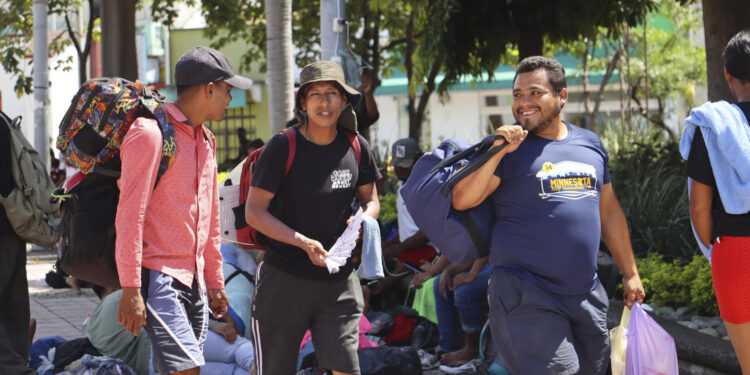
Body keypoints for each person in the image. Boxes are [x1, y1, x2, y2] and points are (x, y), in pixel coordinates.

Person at [451, 56, 645, 375]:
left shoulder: (590, 145)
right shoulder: (507, 151)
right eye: (517, 94)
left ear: (561, 96)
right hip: (525, 292)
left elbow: (609, 211)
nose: (523, 103)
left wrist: (630, 272)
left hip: (585, 292)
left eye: (535, 93)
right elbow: (462, 199)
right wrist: (496, 148)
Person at [115, 46, 252, 375]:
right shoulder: (149, 134)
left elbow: (209, 216)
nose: (229, 98)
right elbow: (129, 214)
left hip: (194, 280)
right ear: (209, 89)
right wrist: (131, 288)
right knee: (187, 370)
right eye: (227, 90)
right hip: (158, 275)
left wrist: (215, 281)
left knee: (180, 369)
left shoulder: (205, 139)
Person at [245, 60, 381, 375]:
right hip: (283, 280)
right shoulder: (282, 146)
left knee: (345, 368)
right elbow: (254, 211)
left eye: (332, 93)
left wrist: (361, 222)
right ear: (303, 103)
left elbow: (371, 200)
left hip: (339, 282)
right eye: (315, 94)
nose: (324, 101)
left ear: (344, 100)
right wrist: (302, 242)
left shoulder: (357, 147)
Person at [683, 29, 750, 373]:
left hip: (735, 251)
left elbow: (699, 208)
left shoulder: (713, 127)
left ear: (727, 73)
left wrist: (715, 250)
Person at [374, 138, 437, 294]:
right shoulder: (403, 184)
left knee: (388, 278)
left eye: (404, 165)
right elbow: (406, 225)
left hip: (428, 249)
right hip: (410, 248)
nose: (399, 169)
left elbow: (426, 233)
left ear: (418, 160)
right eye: (396, 164)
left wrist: (398, 248)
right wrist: (389, 244)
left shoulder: (425, 188)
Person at [0, 112, 34, 374]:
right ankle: (19, 363)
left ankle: (14, 367)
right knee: (14, 304)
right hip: (13, 223)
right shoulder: (3, 120)